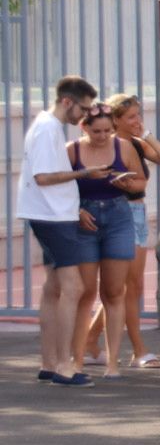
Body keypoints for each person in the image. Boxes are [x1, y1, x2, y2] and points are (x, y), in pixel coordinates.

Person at [18, 75, 100, 386]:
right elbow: (43, 177)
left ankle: (49, 363)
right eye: (83, 108)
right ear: (67, 101)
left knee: (53, 288)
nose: (84, 115)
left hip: (52, 214)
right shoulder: (47, 129)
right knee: (73, 288)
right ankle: (65, 365)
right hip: (52, 216)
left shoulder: (45, 127)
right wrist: (85, 172)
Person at [84, 93, 160, 370]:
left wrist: (145, 133)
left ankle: (90, 338)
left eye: (139, 115)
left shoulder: (135, 144)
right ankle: (139, 350)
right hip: (119, 214)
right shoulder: (108, 146)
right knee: (128, 287)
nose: (138, 120)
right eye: (132, 116)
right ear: (117, 120)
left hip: (137, 213)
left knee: (126, 287)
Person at [67, 102, 146, 378]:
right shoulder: (72, 150)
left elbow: (140, 183)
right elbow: (59, 188)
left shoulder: (122, 147)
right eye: (96, 131)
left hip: (117, 217)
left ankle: (113, 363)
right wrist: (76, 210)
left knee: (113, 292)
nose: (102, 136)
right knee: (85, 292)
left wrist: (127, 184)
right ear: (84, 127)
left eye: (107, 131)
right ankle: (77, 359)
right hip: (85, 219)